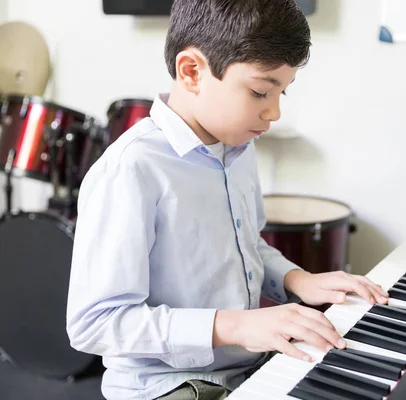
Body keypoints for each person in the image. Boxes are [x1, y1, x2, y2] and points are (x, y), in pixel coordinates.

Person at [66, 0, 389, 399]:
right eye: (259, 92)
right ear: (191, 72)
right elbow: (94, 323)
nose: (273, 113)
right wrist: (235, 325)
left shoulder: (237, 147)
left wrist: (297, 280)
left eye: (282, 93)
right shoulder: (130, 170)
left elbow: (246, 244)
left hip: (246, 365)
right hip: (168, 385)